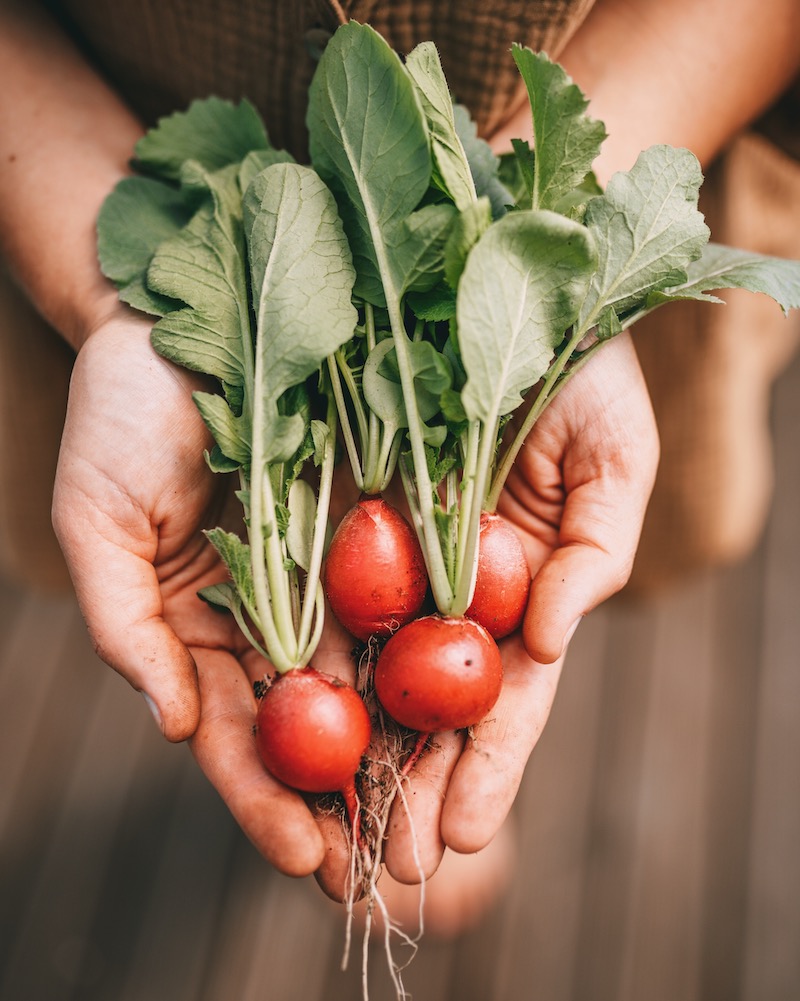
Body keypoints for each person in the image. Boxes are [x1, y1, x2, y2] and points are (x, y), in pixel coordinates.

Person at [0, 0, 798, 907]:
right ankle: (384, 776)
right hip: (97, 142)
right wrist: (114, 313)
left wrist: (550, 276)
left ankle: (399, 770)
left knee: (567, 577)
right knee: (206, 639)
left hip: (637, 93)